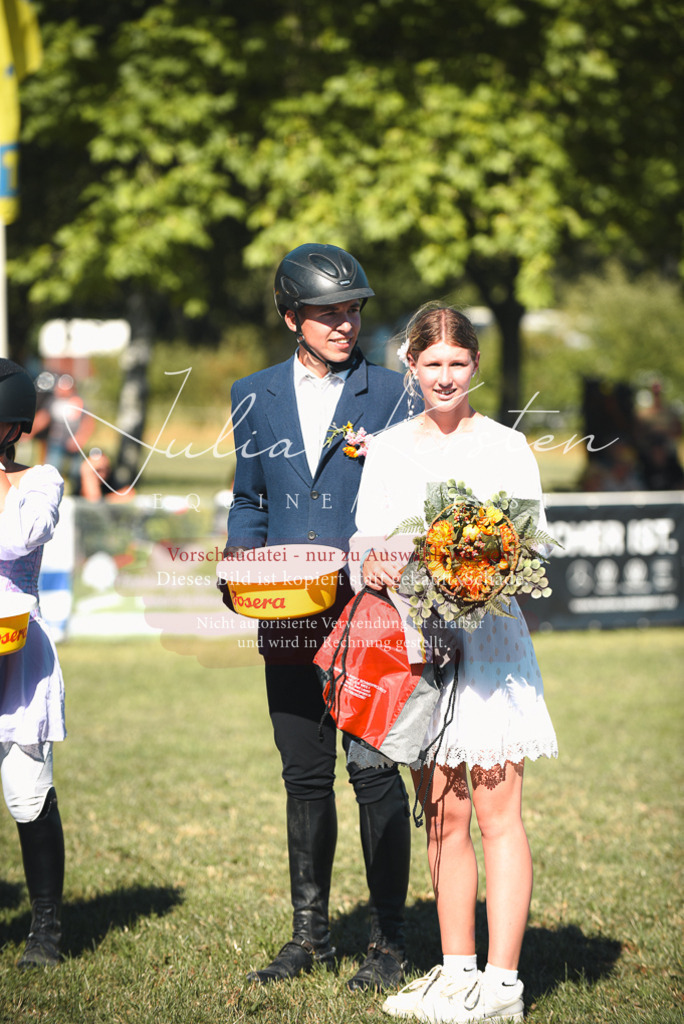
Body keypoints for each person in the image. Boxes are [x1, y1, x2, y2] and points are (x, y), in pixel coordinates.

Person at [349, 304, 558, 1023]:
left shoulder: (505, 446)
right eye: (431, 364)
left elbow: (529, 542)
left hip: (492, 649)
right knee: (442, 815)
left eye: (457, 364)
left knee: (499, 812)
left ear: (475, 367)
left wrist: (477, 568)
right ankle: (456, 969)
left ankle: (502, 984)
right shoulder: (387, 448)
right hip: (421, 649)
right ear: (411, 366)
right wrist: (373, 563)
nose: (444, 377)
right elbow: (366, 540)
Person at [223, 243, 417, 991]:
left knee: (372, 772)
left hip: (369, 613)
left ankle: (390, 940)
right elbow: (250, 500)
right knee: (304, 776)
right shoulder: (252, 393)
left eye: (353, 311)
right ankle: (310, 936)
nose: (345, 324)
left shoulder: (395, 394)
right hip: (288, 610)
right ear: (290, 316)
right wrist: (242, 565)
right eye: (329, 313)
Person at [0, 359, 66, 968]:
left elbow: (18, 537)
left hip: (16, 656)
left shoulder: (39, 482)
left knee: (26, 792)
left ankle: (45, 927)